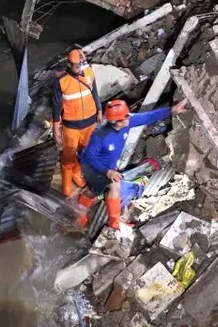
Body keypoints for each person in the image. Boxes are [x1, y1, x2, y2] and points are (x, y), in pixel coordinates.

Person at [77, 98, 187, 231]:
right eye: (125, 117)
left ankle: (92, 216)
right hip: (93, 166)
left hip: (109, 165)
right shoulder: (100, 135)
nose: (129, 119)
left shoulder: (127, 121)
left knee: (102, 189)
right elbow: (88, 156)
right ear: (115, 122)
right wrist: (107, 171)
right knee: (106, 188)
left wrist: (171, 110)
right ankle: (97, 219)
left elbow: (148, 117)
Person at [51, 48, 101, 198]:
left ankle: (77, 173)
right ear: (69, 64)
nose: (80, 68)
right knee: (68, 156)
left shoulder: (89, 73)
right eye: (76, 65)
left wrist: (99, 110)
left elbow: (95, 92)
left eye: (81, 64)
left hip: (90, 122)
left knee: (85, 152)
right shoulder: (61, 82)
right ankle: (66, 185)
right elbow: (56, 105)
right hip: (71, 125)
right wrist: (55, 128)